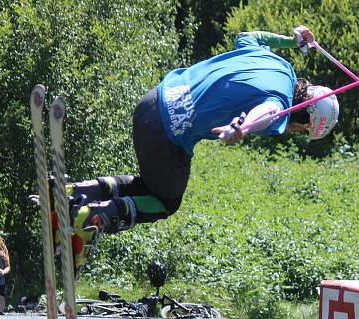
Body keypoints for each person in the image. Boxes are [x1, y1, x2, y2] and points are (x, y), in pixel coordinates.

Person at [52, 25, 339, 274]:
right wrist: (242, 127)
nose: (294, 131)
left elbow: (248, 35)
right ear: (305, 116)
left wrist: (292, 41)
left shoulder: (278, 65)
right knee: (166, 203)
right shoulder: (279, 102)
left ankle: (76, 193)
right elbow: (267, 111)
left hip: (151, 102)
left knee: (151, 188)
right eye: (301, 129)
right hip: (168, 133)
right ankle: (93, 217)